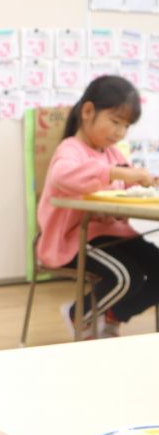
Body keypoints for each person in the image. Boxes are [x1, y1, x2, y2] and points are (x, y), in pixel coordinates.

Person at [37, 75, 159, 339]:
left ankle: (113, 315)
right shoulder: (70, 149)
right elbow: (62, 176)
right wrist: (119, 174)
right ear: (88, 111)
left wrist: (144, 181)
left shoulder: (113, 153)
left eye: (126, 126)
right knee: (127, 276)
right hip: (73, 238)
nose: (120, 132)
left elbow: (126, 186)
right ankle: (79, 315)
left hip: (114, 235)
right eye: (115, 122)